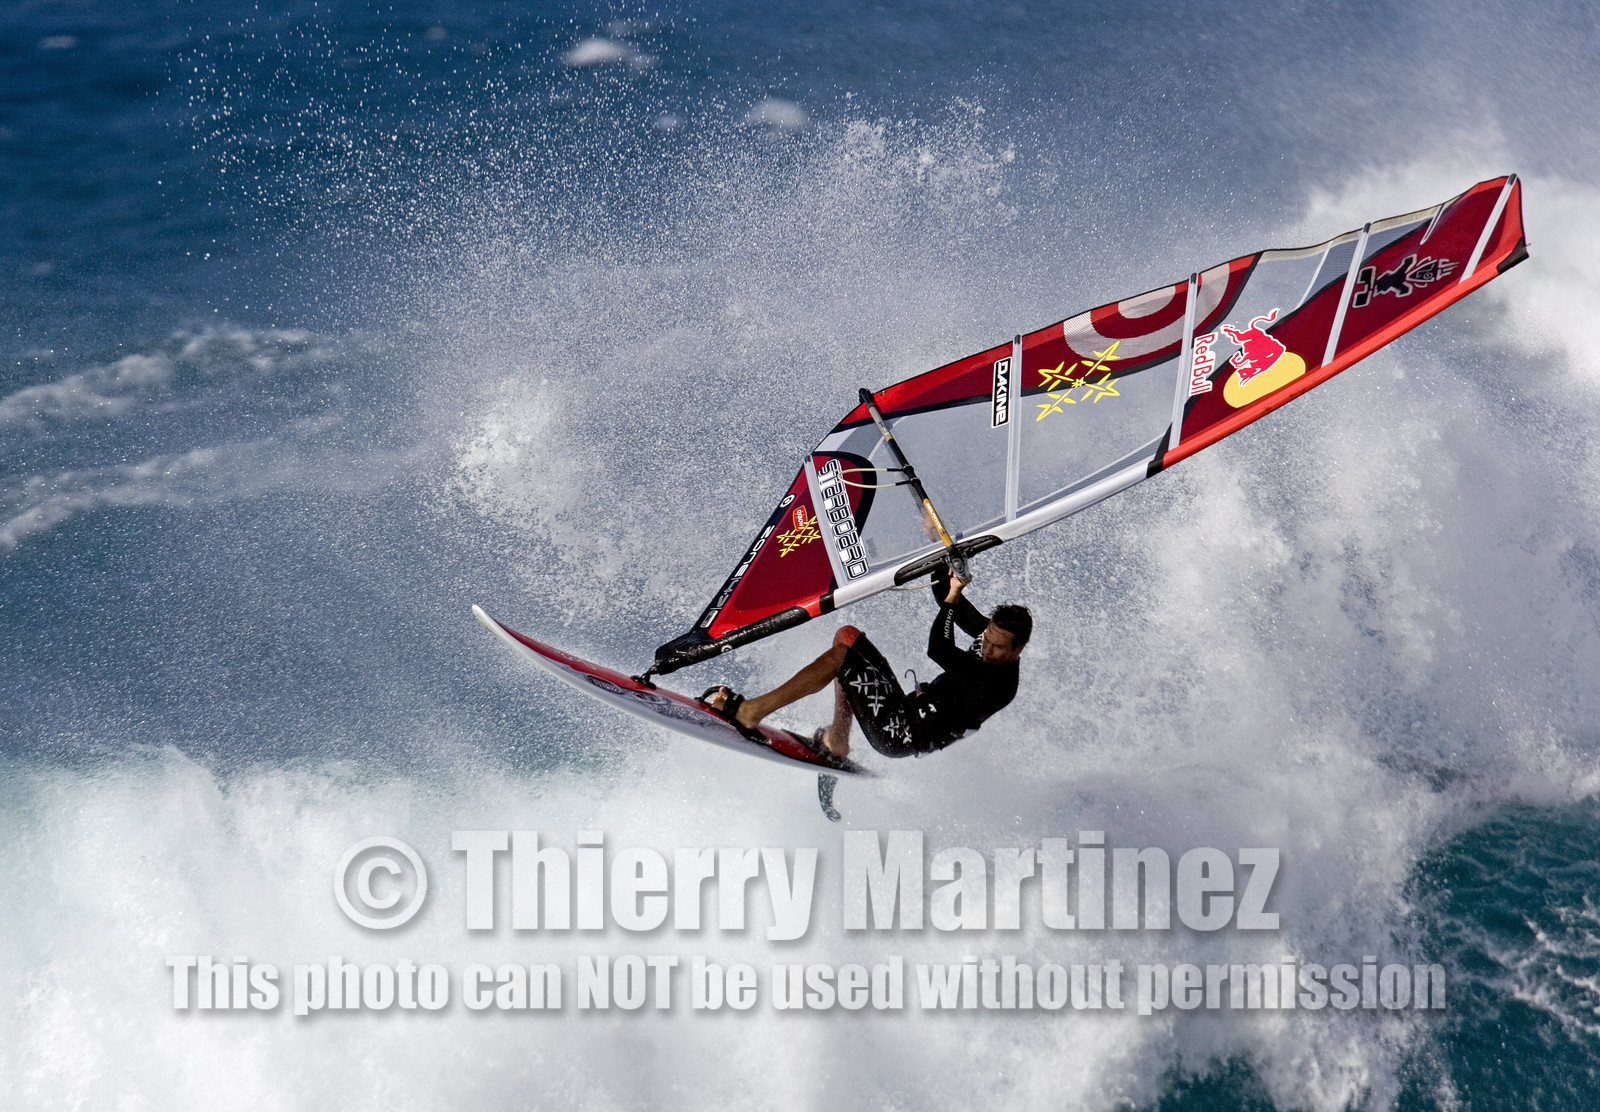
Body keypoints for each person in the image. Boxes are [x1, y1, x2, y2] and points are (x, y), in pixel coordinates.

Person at [703, 569, 1031, 759]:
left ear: (1019, 649)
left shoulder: (997, 685)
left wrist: (952, 597)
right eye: (986, 637)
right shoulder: (993, 636)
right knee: (848, 637)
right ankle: (838, 739)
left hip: (902, 734)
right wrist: (946, 561)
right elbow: (947, 592)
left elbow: (939, 650)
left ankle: (751, 712)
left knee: (844, 659)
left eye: (998, 647)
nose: (987, 648)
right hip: (905, 709)